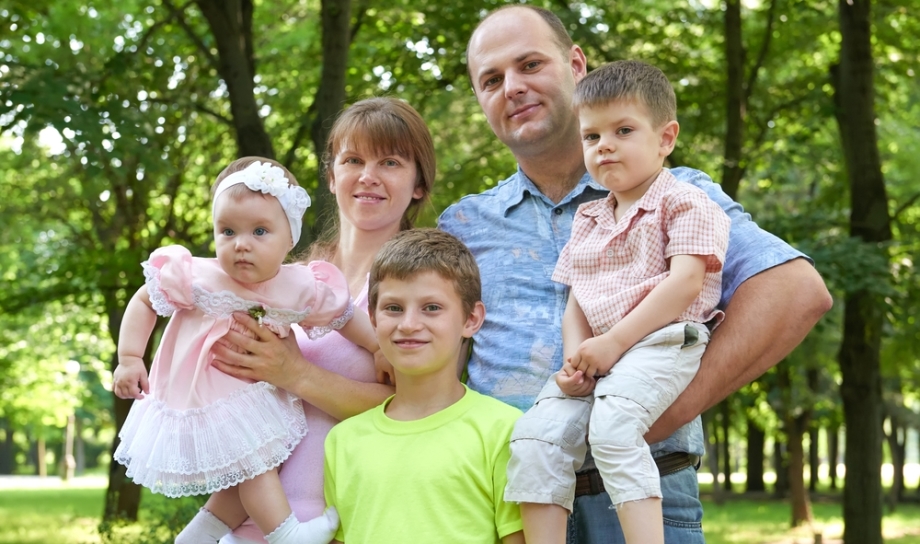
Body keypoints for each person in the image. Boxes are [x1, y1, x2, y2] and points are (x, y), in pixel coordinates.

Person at [439, 5, 832, 543]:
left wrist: (655, 418)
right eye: (491, 79)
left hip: (641, 492)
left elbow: (795, 291)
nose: (512, 87)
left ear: (575, 64)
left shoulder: (675, 193)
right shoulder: (462, 223)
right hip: (506, 504)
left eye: (530, 64)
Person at [506, 60, 731, 544]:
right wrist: (576, 357)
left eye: (623, 130)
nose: (604, 145)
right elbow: (576, 298)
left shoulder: (686, 202)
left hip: (662, 340)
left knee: (613, 428)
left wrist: (613, 343)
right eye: (591, 137)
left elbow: (685, 284)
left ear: (665, 138)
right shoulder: (588, 218)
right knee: (534, 439)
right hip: (601, 354)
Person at [112, 157, 379, 544]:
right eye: (227, 231)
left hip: (252, 396)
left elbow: (344, 315)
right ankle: (288, 536)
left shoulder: (298, 285)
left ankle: (201, 533)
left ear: (290, 238)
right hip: (204, 397)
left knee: (254, 466)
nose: (241, 245)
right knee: (255, 466)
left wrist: (376, 345)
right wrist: (130, 358)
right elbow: (144, 300)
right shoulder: (199, 274)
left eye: (259, 231)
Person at [205, 97, 436, 544]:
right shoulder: (289, 275)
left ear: (419, 184)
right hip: (245, 519)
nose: (368, 176)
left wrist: (295, 373)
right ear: (332, 177)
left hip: (337, 523)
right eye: (353, 160)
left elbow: (422, 407)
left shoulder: (421, 283)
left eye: (389, 162)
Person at [323, 228, 524, 544]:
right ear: (372, 318)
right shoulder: (342, 441)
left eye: (431, 307)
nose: (408, 324)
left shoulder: (504, 431)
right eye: (393, 308)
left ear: (471, 319)